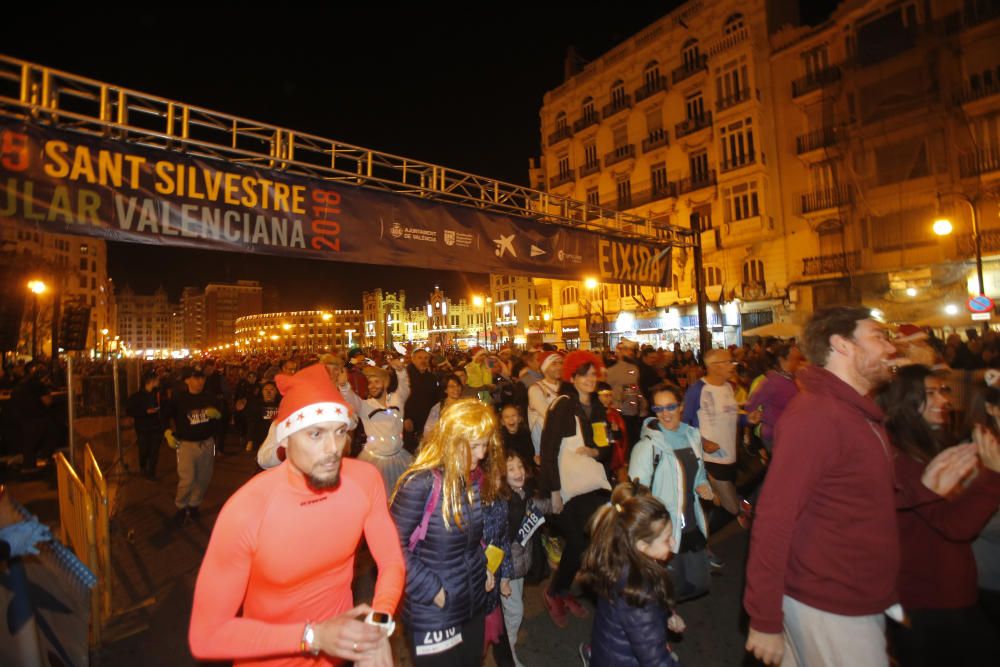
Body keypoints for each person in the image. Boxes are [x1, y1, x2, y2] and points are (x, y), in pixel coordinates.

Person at [744, 307, 978, 666]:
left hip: (852, 599)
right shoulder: (818, 415)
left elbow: (856, 497)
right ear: (842, 345)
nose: (891, 347)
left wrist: (921, 490)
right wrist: (764, 619)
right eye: (878, 336)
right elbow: (774, 518)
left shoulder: (857, 411)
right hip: (829, 603)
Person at [189, 363, 404, 666]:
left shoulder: (363, 480)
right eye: (316, 434)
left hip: (337, 658)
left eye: (340, 431)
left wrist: (378, 624)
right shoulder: (247, 509)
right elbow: (206, 636)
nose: (333, 449)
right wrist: (312, 636)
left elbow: (392, 561)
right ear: (285, 440)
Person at [879, 365, 1000, 666]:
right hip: (928, 599)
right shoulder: (901, 458)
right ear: (904, 402)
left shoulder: (927, 445)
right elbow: (955, 525)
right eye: (930, 394)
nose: (943, 400)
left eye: (943, 391)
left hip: (949, 591)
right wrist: (993, 477)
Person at [389, 398, 504, 666]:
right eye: (474, 446)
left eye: (485, 445)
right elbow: (391, 547)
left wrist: (483, 567)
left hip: (471, 601)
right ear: (453, 441)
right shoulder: (420, 483)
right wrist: (430, 589)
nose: (481, 454)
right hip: (434, 610)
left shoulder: (470, 479)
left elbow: (469, 540)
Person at [538, 350, 612, 628]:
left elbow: (607, 447)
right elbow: (548, 450)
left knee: (591, 539)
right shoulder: (563, 405)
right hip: (566, 488)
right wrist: (554, 491)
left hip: (592, 484)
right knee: (579, 541)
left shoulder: (598, 407)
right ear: (573, 377)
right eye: (585, 374)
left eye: (594, 374)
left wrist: (595, 451)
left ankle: (562, 587)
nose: (591, 379)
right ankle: (555, 591)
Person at [578, 482, 683, 667]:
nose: (673, 543)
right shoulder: (637, 591)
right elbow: (655, 660)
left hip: (608, 648)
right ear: (642, 546)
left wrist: (667, 615)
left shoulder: (620, 556)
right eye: (666, 539)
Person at [629, 385, 714, 602]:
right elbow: (636, 497)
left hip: (692, 521)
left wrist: (703, 485)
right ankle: (660, 621)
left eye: (671, 407)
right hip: (664, 529)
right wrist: (650, 533)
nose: (665, 414)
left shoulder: (692, 436)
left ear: (681, 407)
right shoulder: (647, 447)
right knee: (667, 589)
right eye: (659, 408)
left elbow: (700, 474)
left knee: (700, 583)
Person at [682, 348, 761, 536]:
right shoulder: (697, 390)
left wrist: (748, 420)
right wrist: (702, 441)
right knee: (728, 504)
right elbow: (684, 425)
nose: (733, 365)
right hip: (709, 459)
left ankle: (705, 538)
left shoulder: (728, 387)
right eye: (728, 362)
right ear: (714, 366)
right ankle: (701, 542)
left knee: (722, 502)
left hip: (731, 456)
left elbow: (731, 416)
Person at [500, 450, 551, 667]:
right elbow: (499, 543)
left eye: (520, 466)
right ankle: (508, 655)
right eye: (511, 469)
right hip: (506, 569)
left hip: (518, 566)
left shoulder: (524, 493)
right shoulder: (504, 503)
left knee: (511, 608)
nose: (518, 472)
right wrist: (503, 576)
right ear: (502, 474)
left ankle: (502, 641)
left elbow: (545, 507)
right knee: (515, 612)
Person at [339, 359, 412, 497]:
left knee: (400, 497)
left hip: (399, 459)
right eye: (370, 383)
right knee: (376, 497)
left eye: (376, 382)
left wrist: (401, 371)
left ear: (386, 383)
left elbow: (404, 386)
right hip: (373, 462)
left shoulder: (397, 398)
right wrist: (344, 386)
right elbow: (350, 399)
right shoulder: (364, 405)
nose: (372, 386)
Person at [165, 368, 222, 523]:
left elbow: (223, 416)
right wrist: (167, 432)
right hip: (187, 445)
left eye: (202, 378)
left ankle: (194, 505)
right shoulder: (179, 399)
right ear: (186, 380)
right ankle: (181, 507)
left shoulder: (210, 397)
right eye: (196, 378)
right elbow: (164, 415)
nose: (200, 382)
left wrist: (218, 415)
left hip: (207, 443)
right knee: (187, 479)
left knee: (203, 478)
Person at [126, 372, 165, 480]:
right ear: (150, 381)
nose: (158, 382)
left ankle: (151, 473)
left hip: (156, 427)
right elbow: (129, 411)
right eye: (157, 380)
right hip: (143, 428)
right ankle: (143, 467)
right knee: (144, 450)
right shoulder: (137, 397)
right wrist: (145, 411)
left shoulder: (157, 394)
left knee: (154, 451)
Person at [606, 339, 643, 447]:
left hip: (631, 409)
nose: (630, 353)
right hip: (619, 410)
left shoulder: (634, 369)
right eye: (626, 350)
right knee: (623, 441)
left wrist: (641, 403)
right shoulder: (611, 370)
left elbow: (635, 388)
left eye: (630, 350)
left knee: (631, 439)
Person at [526, 351, 563, 456]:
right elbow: (549, 415)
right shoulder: (536, 389)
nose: (559, 367)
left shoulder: (566, 387)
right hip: (546, 443)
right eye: (554, 364)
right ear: (544, 367)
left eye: (561, 363)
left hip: (563, 440)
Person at [404, 349, 441, 452]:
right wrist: (405, 417)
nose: (423, 360)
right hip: (410, 420)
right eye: (420, 358)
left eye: (426, 358)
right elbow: (399, 399)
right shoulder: (405, 376)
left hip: (427, 420)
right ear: (413, 359)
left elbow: (435, 399)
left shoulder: (431, 378)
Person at [423, 374, 464, 438]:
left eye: (458, 385)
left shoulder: (466, 405)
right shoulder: (438, 407)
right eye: (451, 386)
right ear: (445, 390)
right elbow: (428, 432)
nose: (456, 389)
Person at [499, 404, 535, 474]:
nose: (511, 419)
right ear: (502, 422)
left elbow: (531, 457)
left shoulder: (527, 435)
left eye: (513, 415)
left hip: (527, 472)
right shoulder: (500, 440)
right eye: (506, 417)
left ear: (519, 419)